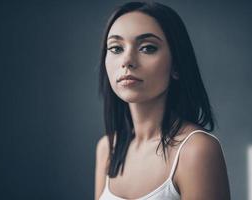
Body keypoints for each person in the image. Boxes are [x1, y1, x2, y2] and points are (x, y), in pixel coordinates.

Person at [94, 1, 231, 200]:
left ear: (176, 65)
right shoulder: (107, 148)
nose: (127, 61)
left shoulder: (197, 150)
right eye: (116, 48)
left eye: (147, 48)